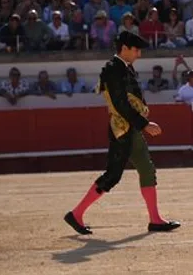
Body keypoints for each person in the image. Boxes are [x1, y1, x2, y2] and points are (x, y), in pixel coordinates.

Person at [64, 31, 180, 235]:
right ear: (124, 48)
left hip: (131, 127)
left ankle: (155, 219)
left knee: (146, 168)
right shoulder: (113, 68)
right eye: (136, 50)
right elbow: (120, 103)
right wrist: (143, 123)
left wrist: (140, 123)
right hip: (122, 128)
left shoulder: (124, 67)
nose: (139, 54)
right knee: (113, 175)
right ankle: (76, 213)